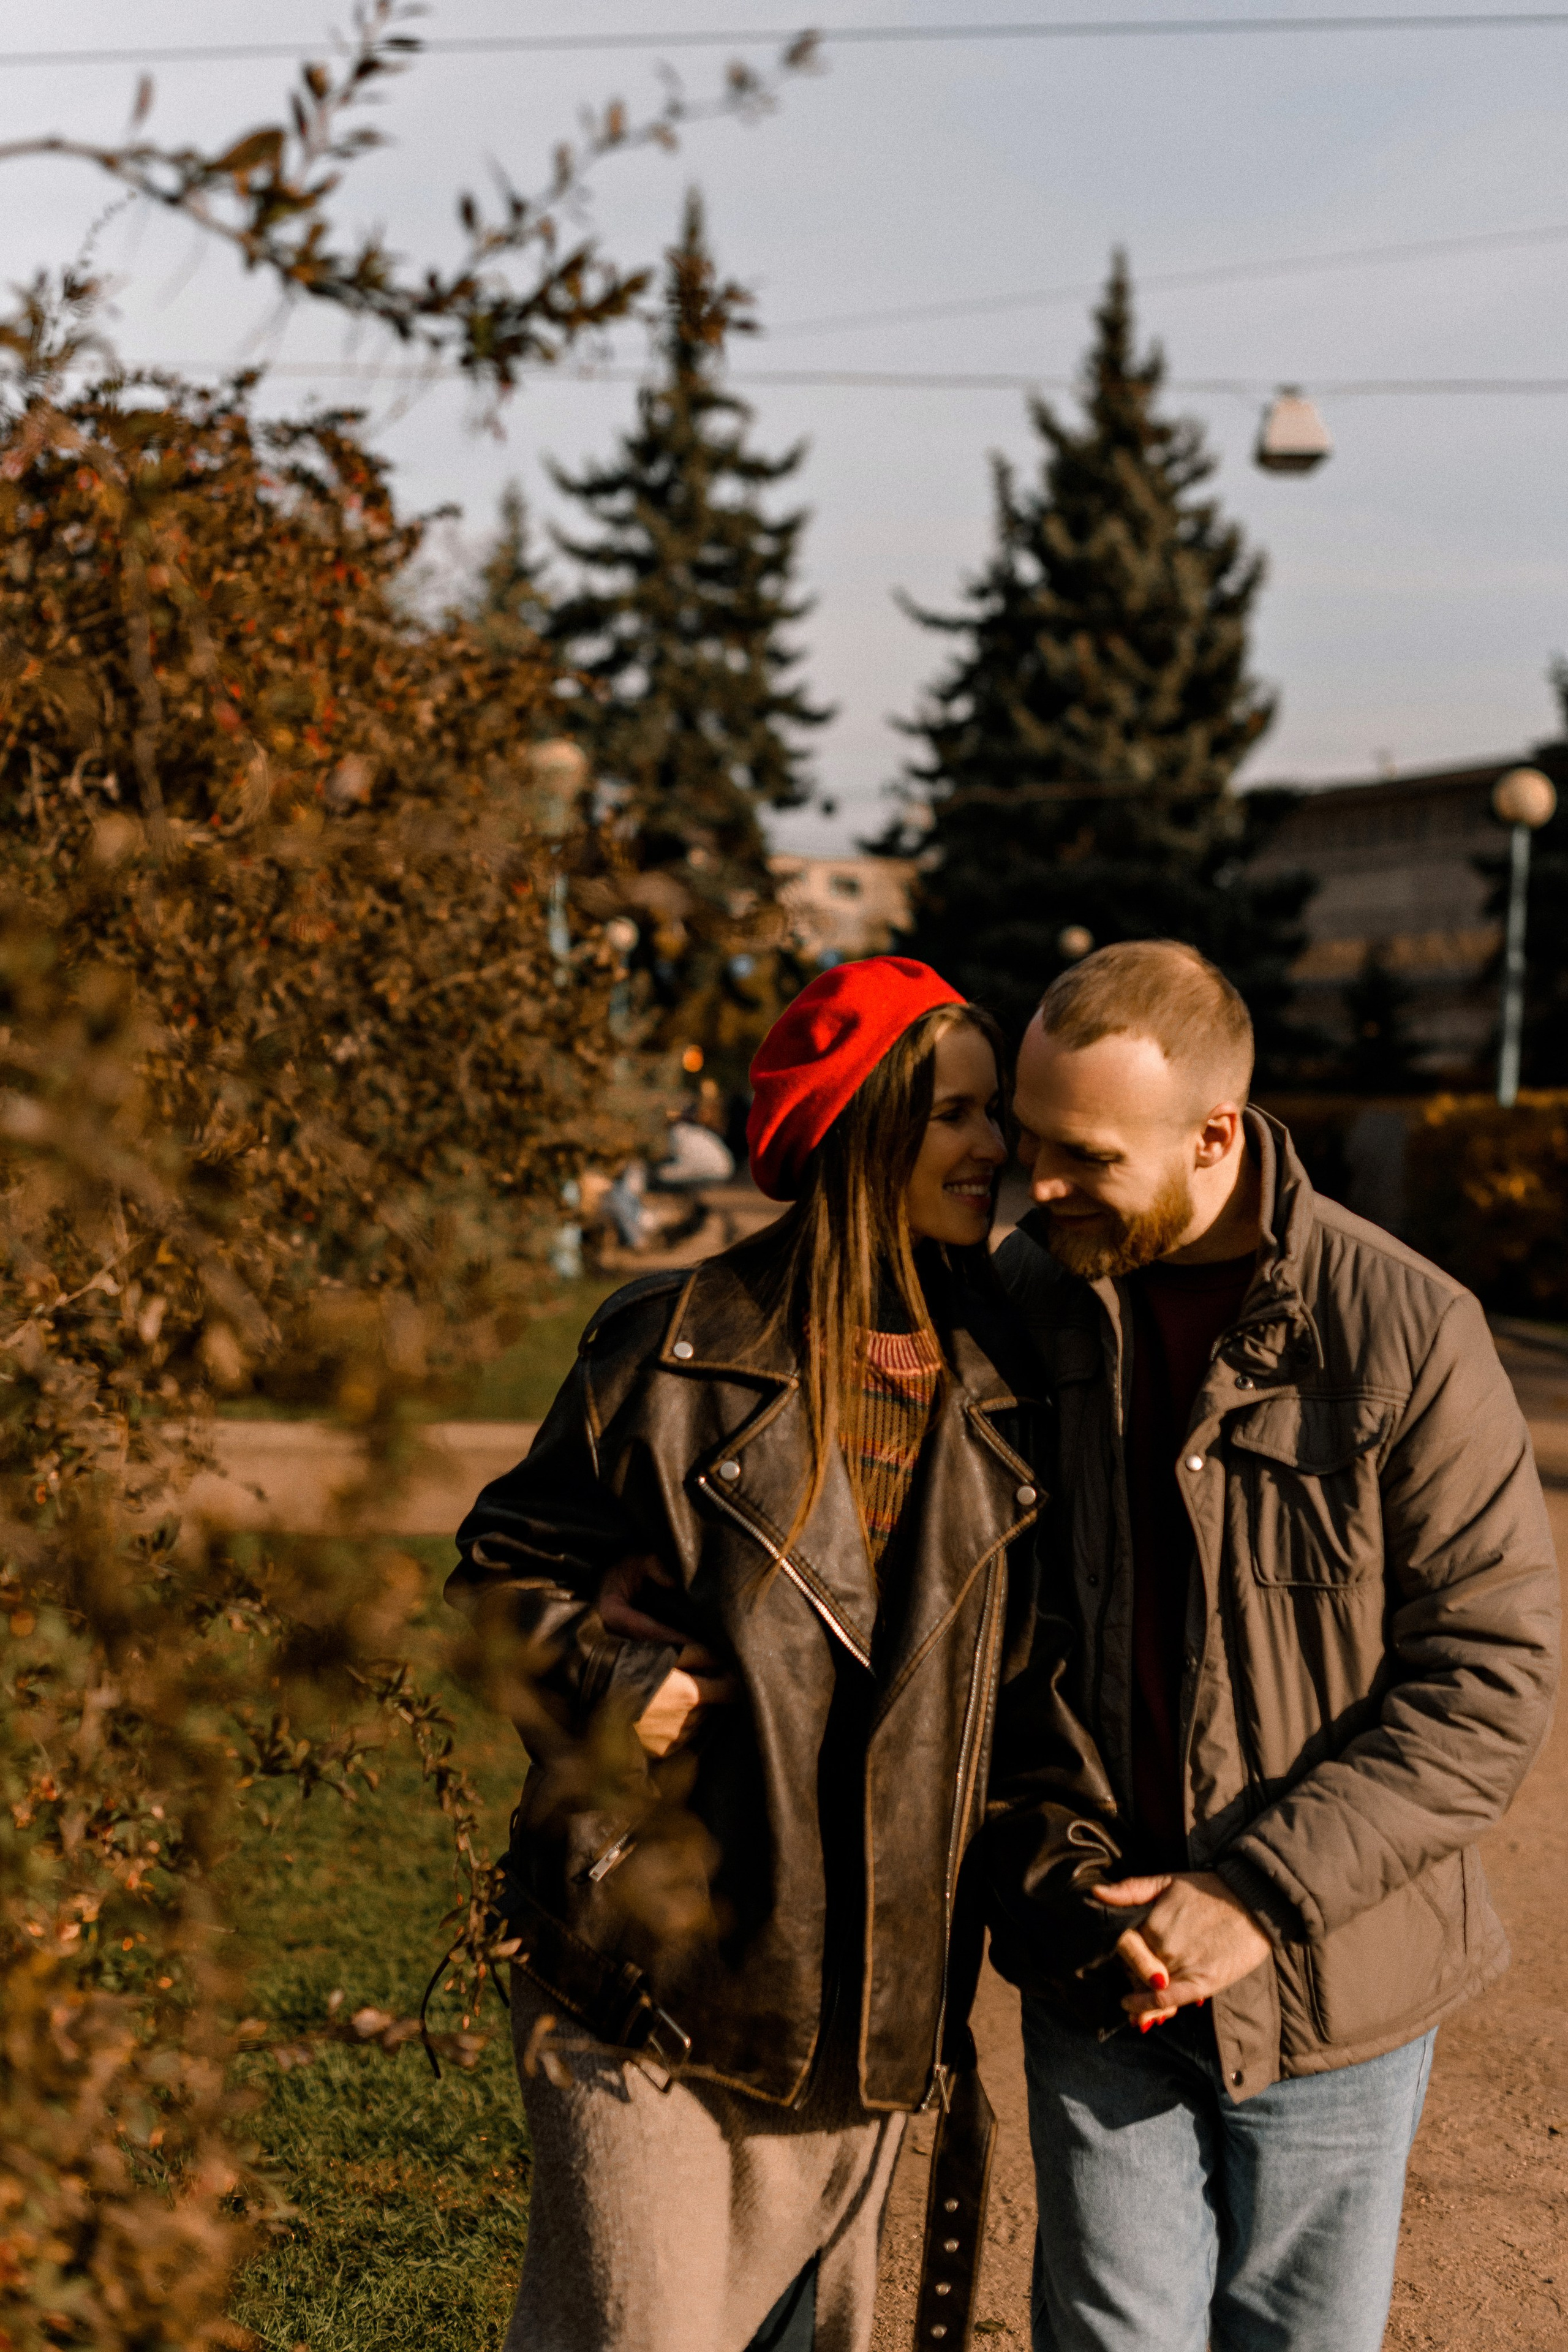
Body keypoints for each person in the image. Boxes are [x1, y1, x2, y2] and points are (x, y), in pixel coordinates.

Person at [447, 956, 1127, 2352]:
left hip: (867, 2017)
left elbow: (1023, 1701)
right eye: (955, 1114)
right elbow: (501, 1573)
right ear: (857, 1127)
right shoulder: (670, 1344)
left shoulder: (1005, 1383)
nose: (993, 1148)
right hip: (649, 1973)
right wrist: (610, 1684)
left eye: (993, 1113)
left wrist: (1084, 1893)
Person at [987, 938, 1560, 2352]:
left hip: (1336, 1976)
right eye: (1024, 1138)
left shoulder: (1407, 1330)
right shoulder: (1024, 1301)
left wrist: (1254, 1893)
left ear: (1214, 1136)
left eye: (1081, 1153)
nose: (1036, 1182)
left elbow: (1488, 1681)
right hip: (1096, 1954)